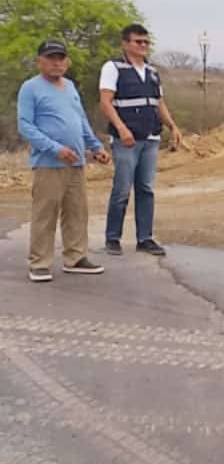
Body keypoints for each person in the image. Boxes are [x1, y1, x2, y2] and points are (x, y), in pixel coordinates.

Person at [17, 40, 110, 282]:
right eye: (51, 58)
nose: (56, 63)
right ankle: (39, 263)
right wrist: (55, 149)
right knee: (45, 214)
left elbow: (81, 121)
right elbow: (25, 126)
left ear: (66, 62)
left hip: (76, 163)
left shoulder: (69, 87)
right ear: (39, 61)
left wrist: (96, 147)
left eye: (60, 58)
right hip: (48, 163)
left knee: (76, 212)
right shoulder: (30, 88)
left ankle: (75, 258)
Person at [99, 24, 181, 257]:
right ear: (125, 43)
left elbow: (159, 103)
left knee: (146, 189)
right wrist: (121, 128)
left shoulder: (152, 72)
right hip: (126, 139)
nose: (143, 45)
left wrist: (173, 126)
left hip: (150, 137)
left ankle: (145, 238)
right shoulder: (113, 68)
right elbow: (105, 102)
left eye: (146, 42)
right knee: (122, 188)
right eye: (138, 41)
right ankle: (112, 238)